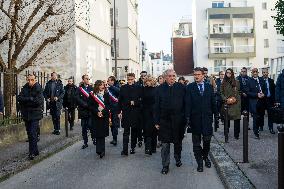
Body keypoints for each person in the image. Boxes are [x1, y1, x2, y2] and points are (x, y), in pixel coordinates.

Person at [154, 69, 185, 175]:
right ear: (166, 77)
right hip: (164, 121)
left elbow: (185, 104)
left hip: (178, 120)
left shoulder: (181, 88)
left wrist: (185, 119)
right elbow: (156, 106)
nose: (172, 78)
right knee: (165, 144)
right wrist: (156, 122)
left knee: (178, 142)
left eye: (174, 76)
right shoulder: (159, 89)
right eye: (170, 76)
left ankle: (177, 158)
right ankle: (165, 165)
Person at [185, 67, 217, 172]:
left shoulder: (209, 87)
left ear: (203, 75)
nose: (196, 76)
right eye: (195, 74)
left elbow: (213, 103)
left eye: (198, 74)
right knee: (196, 143)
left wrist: (216, 116)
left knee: (207, 141)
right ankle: (199, 163)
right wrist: (187, 118)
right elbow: (188, 104)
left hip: (207, 119)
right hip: (195, 120)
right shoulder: (190, 87)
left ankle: (205, 156)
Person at [17, 74, 44, 160]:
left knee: (32, 133)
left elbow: (38, 102)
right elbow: (19, 98)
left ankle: (31, 153)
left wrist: (26, 101)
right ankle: (35, 150)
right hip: (26, 114)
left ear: (35, 80)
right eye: (28, 80)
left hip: (35, 114)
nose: (30, 82)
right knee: (30, 133)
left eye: (32, 80)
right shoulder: (24, 88)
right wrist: (30, 99)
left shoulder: (38, 89)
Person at [119, 73, 142, 156]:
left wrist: (135, 102)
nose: (130, 81)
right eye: (128, 79)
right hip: (126, 112)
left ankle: (132, 147)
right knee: (126, 131)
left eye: (131, 79)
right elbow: (120, 101)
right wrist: (119, 112)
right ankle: (125, 150)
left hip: (136, 112)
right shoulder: (123, 88)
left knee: (134, 131)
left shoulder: (139, 87)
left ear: (134, 79)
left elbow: (142, 100)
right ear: (127, 79)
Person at [88, 80, 110, 158]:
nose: (102, 86)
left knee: (102, 133)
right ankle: (98, 149)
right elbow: (90, 105)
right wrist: (97, 112)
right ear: (97, 86)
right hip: (96, 116)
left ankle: (102, 150)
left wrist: (102, 112)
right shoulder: (92, 95)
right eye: (100, 85)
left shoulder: (106, 94)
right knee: (97, 133)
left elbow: (108, 106)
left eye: (102, 85)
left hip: (104, 116)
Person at [246, 68, 267, 139]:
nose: (255, 73)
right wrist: (256, 95)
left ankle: (259, 128)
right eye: (253, 72)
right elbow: (248, 92)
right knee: (255, 117)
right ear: (252, 73)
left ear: (258, 73)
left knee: (260, 117)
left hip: (262, 101)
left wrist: (264, 94)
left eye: (256, 72)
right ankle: (256, 132)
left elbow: (265, 90)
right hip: (254, 102)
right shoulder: (249, 81)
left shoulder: (262, 80)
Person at [221, 68, 241, 139]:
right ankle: (226, 133)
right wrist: (226, 99)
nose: (228, 74)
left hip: (235, 103)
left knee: (236, 119)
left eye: (230, 73)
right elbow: (221, 93)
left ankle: (236, 135)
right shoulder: (223, 83)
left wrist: (234, 98)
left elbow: (239, 92)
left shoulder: (237, 82)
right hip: (227, 103)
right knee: (227, 119)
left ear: (232, 73)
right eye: (227, 73)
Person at [76, 74, 95, 149]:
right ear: (83, 80)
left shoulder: (91, 88)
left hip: (90, 111)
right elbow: (77, 98)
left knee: (91, 126)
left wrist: (90, 105)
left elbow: (95, 98)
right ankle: (85, 142)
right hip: (83, 110)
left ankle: (94, 138)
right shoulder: (79, 89)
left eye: (88, 79)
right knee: (84, 127)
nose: (88, 80)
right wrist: (84, 104)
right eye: (86, 79)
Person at [142, 75, 157, 155]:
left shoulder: (156, 89)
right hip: (146, 111)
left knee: (154, 130)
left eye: (150, 81)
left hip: (154, 112)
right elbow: (141, 100)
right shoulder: (143, 89)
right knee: (147, 129)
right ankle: (148, 148)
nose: (148, 82)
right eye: (147, 81)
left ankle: (153, 147)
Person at [261, 68, 276, 134]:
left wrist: (275, 100)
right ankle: (261, 127)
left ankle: (271, 128)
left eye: (266, 72)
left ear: (268, 73)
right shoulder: (260, 80)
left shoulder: (271, 81)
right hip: (262, 100)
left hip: (270, 100)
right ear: (262, 73)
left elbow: (274, 91)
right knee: (261, 114)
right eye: (263, 72)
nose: (265, 74)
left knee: (270, 115)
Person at [107, 76, 120, 146]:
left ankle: (115, 139)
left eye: (109, 80)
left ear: (112, 81)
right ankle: (113, 138)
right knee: (111, 124)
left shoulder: (117, 86)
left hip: (115, 108)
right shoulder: (108, 88)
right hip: (109, 108)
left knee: (115, 124)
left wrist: (111, 86)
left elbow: (119, 92)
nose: (107, 82)